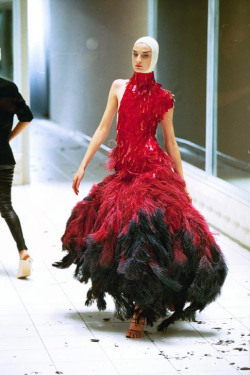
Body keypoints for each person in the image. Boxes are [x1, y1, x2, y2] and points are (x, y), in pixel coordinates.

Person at [53, 36, 227, 338]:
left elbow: (170, 142)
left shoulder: (163, 97)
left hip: (152, 170)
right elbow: (103, 127)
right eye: (135, 54)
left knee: (146, 232)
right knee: (113, 228)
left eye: (145, 55)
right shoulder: (119, 87)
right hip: (125, 169)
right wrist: (82, 165)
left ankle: (141, 310)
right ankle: (146, 297)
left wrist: (181, 182)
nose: (138, 60)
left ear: (154, 58)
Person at [0, 48, 33, 279]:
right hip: (3, 156)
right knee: (5, 206)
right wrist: (7, 138)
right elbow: (27, 117)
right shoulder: (8, 88)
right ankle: (23, 252)